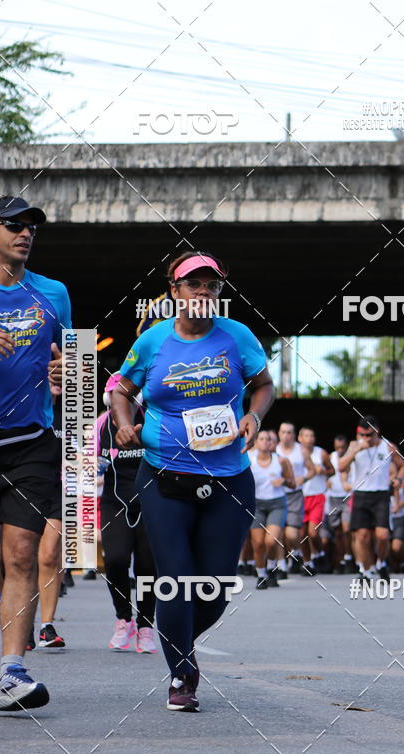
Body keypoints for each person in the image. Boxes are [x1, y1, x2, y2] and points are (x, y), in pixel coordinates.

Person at [112, 250, 274, 711]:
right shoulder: (152, 341)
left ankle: (176, 636)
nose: (203, 292)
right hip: (164, 475)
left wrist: (255, 417)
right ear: (174, 292)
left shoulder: (237, 337)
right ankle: (181, 671)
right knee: (176, 581)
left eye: (211, 285)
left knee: (216, 588)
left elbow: (264, 385)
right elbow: (122, 389)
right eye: (193, 284)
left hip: (228, 478)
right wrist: (125, 422)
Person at [0, 195, 70, 712]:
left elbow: (72, 360)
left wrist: (68, 377)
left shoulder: (53, 294)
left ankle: (11, 673)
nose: (26, 234)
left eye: (32, 228)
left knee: (21, 554)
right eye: (14, 225)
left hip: (29, 443)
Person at [96, 372, 158, 653]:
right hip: (114, 501)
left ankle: (146, 625)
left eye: (130, 398)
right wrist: (94, 466)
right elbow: (84, 465)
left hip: (150, 501)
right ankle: (124, 618)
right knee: (117, 560)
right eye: (115, 400)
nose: (121, 405)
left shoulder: (151, 420)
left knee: (147, 566)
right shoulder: (101, 425)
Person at [338, 416, 404, 581]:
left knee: (382, 535)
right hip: (361, 494)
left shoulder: (388, 446)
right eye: (362, 435)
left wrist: (399, 479)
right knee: (362, 536)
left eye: (369, 435)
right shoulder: (355, 445)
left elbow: (403, 465)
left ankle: (381, 563)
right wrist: (354, 451)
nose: (366, 438)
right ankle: (365, 570)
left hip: (381, 494)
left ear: (377, 431)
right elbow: (340, 467)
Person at [34, 381, 67, 650]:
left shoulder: (73, 414)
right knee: (7, 556)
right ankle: (19, 622)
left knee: (48, 554)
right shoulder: (28, 408)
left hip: (59, 489)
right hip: (25, 487)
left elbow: (85, 452)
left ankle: (47, 626)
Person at [250, 430, 295, 589]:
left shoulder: (281, 460)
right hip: (256, 504)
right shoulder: (249, 460)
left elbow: (293, 483)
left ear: (272, 443)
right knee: (258, 543)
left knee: (271, 541)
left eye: (268, 439)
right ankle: (261, 574)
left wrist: (283, 480)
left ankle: (271, 567)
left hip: (277, 504)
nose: (265, 442)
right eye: (261, 439)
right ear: (255, 442)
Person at [276, 422, 315, 575]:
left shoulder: (301, 450)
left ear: (294, 435)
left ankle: (297, 552)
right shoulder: (274, 450)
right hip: (277, 493)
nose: (286, 435)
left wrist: (303, 478)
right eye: (283, 432)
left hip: (295, 495)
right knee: (277, 533)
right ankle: (281, 566)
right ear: (279, 434)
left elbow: (312, 470)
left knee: (291, 534)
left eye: (289, 432)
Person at [298, 426, 334, 575]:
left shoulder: (321, 453)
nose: (309, 438)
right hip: (300, 496)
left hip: (317, 496)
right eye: (306, 436)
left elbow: (332, 471)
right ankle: (308, 563)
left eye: (312, 436)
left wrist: (324, 471)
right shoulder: (295, 453)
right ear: (300, 438)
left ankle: (320, 554)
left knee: (312, 532)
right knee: (301, 534)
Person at [326, 434, 356, 574]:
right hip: (333, 498)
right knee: (337, 532)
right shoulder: (330, 457)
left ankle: (349, 556)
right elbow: (326, 471)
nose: (340, 450)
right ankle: (340, 559)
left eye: (343, 447)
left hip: (347, 497)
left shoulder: (351, 458)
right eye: (337, 447)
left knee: (346, 528)